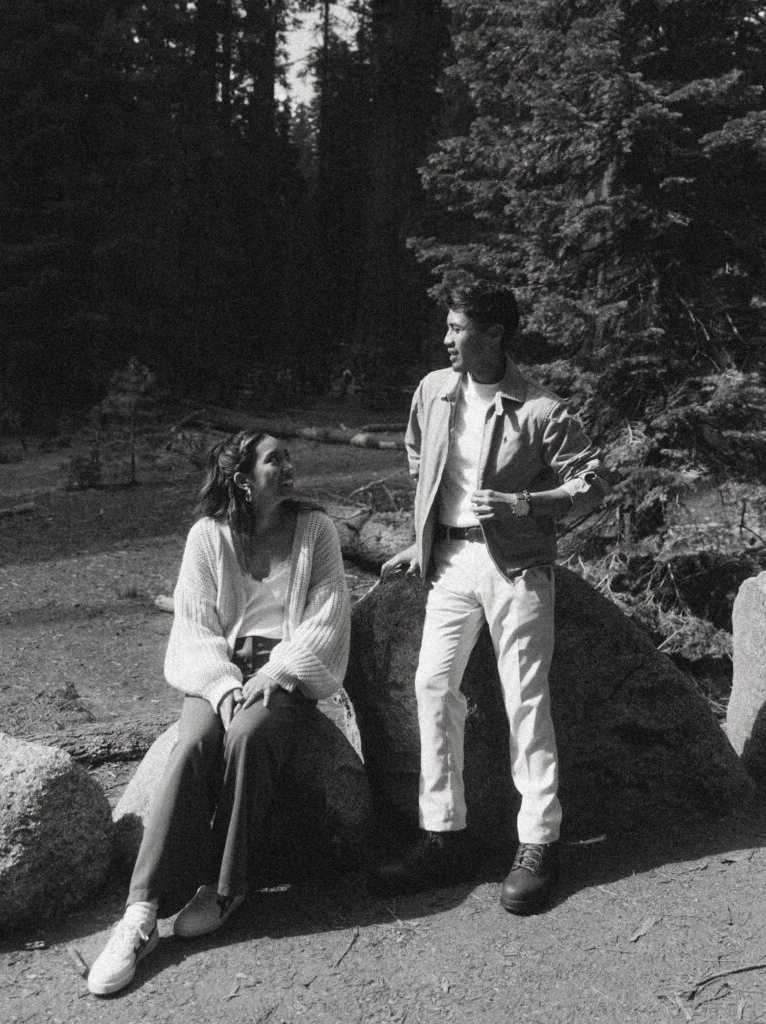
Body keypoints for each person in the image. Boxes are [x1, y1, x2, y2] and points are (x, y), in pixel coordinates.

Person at [373, 280, 608, 914]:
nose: (445, 338)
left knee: (525, 699)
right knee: (431, 684)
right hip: (450, 562)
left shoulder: (540, 410)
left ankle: (538, 842)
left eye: (456, 328)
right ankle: (443, 834)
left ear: (494, 335)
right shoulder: (433, 391)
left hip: (518, 566)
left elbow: (591, 484)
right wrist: (423, 535)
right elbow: (418, 455)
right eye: (446, 327)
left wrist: (525, 502)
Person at [87, 431, 351, 996]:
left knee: (250, 738)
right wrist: (222, 685)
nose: (288, 465)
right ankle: (141, 910)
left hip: (284, 668)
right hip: (218, 669)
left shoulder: (316, 531)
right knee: (190, 745)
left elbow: (327, 618)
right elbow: (194, 624)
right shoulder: (207, 538)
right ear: (242, 478)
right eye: (274, 459)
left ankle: (225, 888)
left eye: (288, 456)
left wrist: (273, 675)